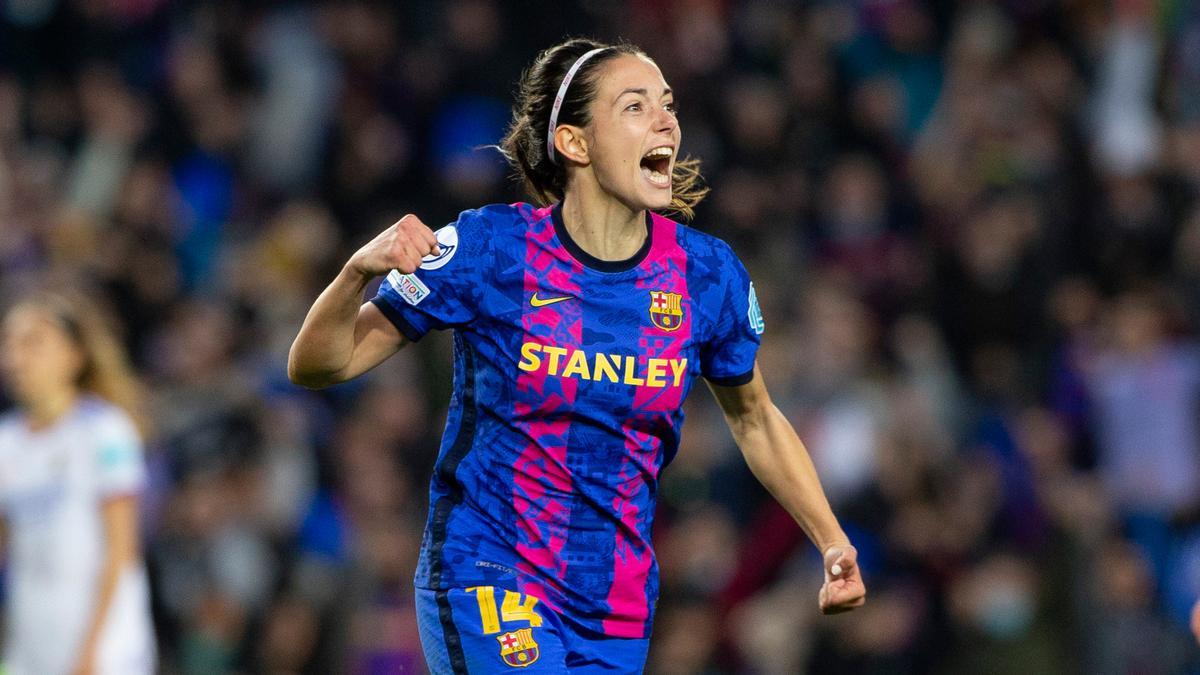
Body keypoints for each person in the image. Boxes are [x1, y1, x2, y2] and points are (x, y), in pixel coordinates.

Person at [289, 37, 865, 673]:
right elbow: (320, 364)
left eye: (668, 105)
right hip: (488, 571)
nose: (667, 120)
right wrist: (354, 273)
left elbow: (754, 418)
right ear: (575, 142)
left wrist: (831, 539)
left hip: (613, 603)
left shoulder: (706, 276)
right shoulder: (493, 250)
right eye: (635, 107)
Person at [0, 291, 157, 675]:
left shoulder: (106, 431)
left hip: (103, 644)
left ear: (75, 355)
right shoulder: (6, 442)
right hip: (32, 641)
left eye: (33, 342)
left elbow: (121, 552)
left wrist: (93, 651)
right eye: (8, 343)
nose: (15, 357)